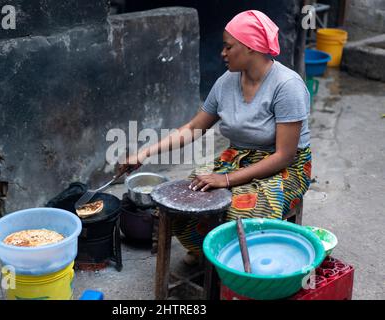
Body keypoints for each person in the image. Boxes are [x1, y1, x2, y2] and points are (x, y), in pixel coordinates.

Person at [118, 10, 312, 265]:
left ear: (251, 48)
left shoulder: (287, 86)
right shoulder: (226, 82)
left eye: (228, 46)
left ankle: (241, 270)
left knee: (242, 209)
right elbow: (193, 128)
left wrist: (226, 179)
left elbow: (284, 155)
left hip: (286, 168)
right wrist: (144, 153)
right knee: (184, 196)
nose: (223, 52)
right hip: (239, 158)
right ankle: (211, 255)